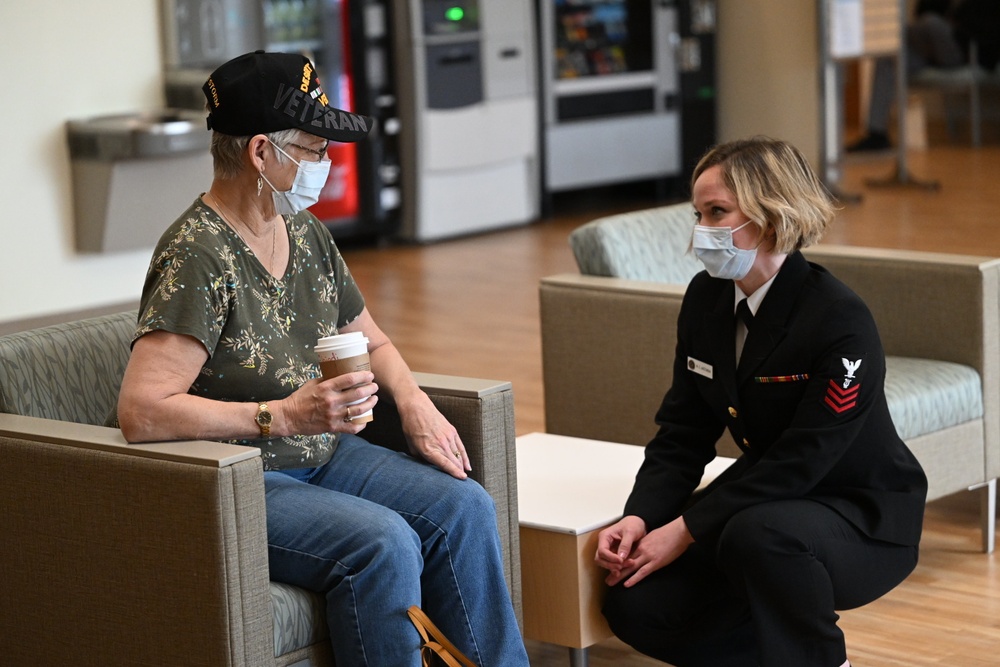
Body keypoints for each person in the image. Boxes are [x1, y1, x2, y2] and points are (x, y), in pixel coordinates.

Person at [114, 51, 529, 667]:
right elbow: (142, 412)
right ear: (260, 153)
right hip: (241, 477)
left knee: (463, 506)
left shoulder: (305, 233)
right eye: (312, 149)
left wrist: (413, 403)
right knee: (384, 543)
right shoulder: (195, 253)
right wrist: (280, 416)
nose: (325, 164)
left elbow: (373, 340)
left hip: (324, 455)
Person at [595, 137, 928, 667]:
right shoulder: (705, 299)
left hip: (861, 515)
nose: (702, 230)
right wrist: (641, 517)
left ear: (773, 215)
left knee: (759, 535)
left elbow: (805, 460)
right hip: (768, 501)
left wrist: (684, 530)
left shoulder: (839, 318)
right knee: (639, 603)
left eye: (717, 212)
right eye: (698, 213)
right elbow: (682, 432)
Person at [849, 0, 964, 151]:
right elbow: (920, 13)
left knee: (930, 22)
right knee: (888, 56)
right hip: (926, 52)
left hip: (959, 51)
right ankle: (877, 134)